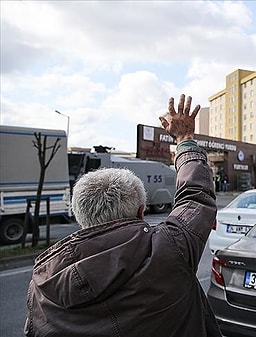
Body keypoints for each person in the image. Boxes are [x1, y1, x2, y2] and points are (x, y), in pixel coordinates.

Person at [24, 94, 222, 337]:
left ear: (80, 218)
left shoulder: (42, 281)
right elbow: (196, 196)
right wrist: (184, 139)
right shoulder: (169, 250)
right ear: (141, 212)